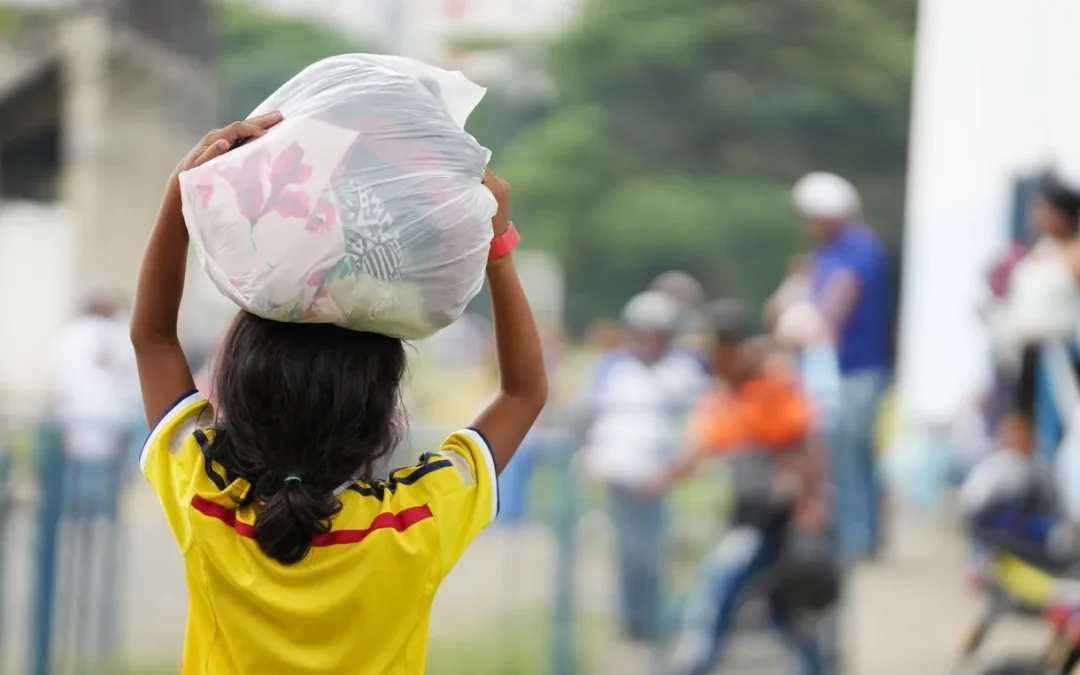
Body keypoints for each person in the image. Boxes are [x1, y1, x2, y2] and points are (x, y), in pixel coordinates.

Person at [130, 113, 547, 674]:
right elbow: (524, 393)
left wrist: (180, 193)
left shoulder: (208, 499)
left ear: (237, 386)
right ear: (381, 416)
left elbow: (151, 338)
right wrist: (498, 243)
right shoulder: (413, 524)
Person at [649, 300, 835, 675]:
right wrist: (660, 476)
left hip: (781, 524)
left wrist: (812, 502)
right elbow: (696, 452)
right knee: (779, 613)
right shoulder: (722, 397)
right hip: (747, 518)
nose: (712, 359)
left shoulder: (774, 388)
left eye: (718, 348)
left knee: (723, 588)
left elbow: (805, 450)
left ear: (734, 348)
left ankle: (693, 666)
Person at [577, 290, 708, 643]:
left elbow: (697, 424)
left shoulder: (683, 369)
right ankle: (630, 621)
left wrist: (675, 470)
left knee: (653, 552)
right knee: (626, 551)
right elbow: (589, 417)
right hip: (619, 473)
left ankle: (654, 621)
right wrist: (591, 457)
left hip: (657, 477)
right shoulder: (612, 367)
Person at [793, 171, 892, 565]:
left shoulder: (858, 248)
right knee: (851, 457)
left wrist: (809, 327)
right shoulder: (825, 253)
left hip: (854, 370)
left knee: (849, 457)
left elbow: (836, 304)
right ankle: (861, 535)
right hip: (835, 369)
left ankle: (856, 539)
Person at [51, 295, 139, 515]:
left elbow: (58, 375)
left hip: (76, 413)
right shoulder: (114, 331)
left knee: (77, 470)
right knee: (102, 475)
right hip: (107, 415)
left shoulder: (71, 333)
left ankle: (77, 511)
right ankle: (97, 513)